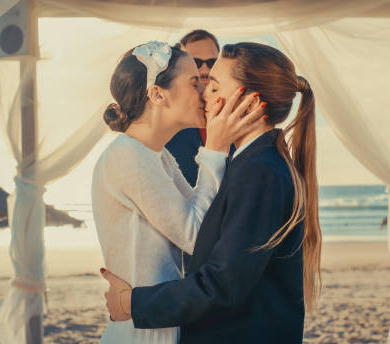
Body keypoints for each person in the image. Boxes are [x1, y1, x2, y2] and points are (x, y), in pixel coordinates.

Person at [101, 42, 323, 344]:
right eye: (198, 83)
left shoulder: (261, 170)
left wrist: (132, 303)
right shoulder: (253, 163)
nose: (204, 94)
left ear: (248, 101)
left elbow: (222, 282)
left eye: (213, 86)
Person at [165, 30, 224, 187]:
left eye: (212, 62)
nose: (205, 70)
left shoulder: (235, 114)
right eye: (196, 62)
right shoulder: (166, 120)